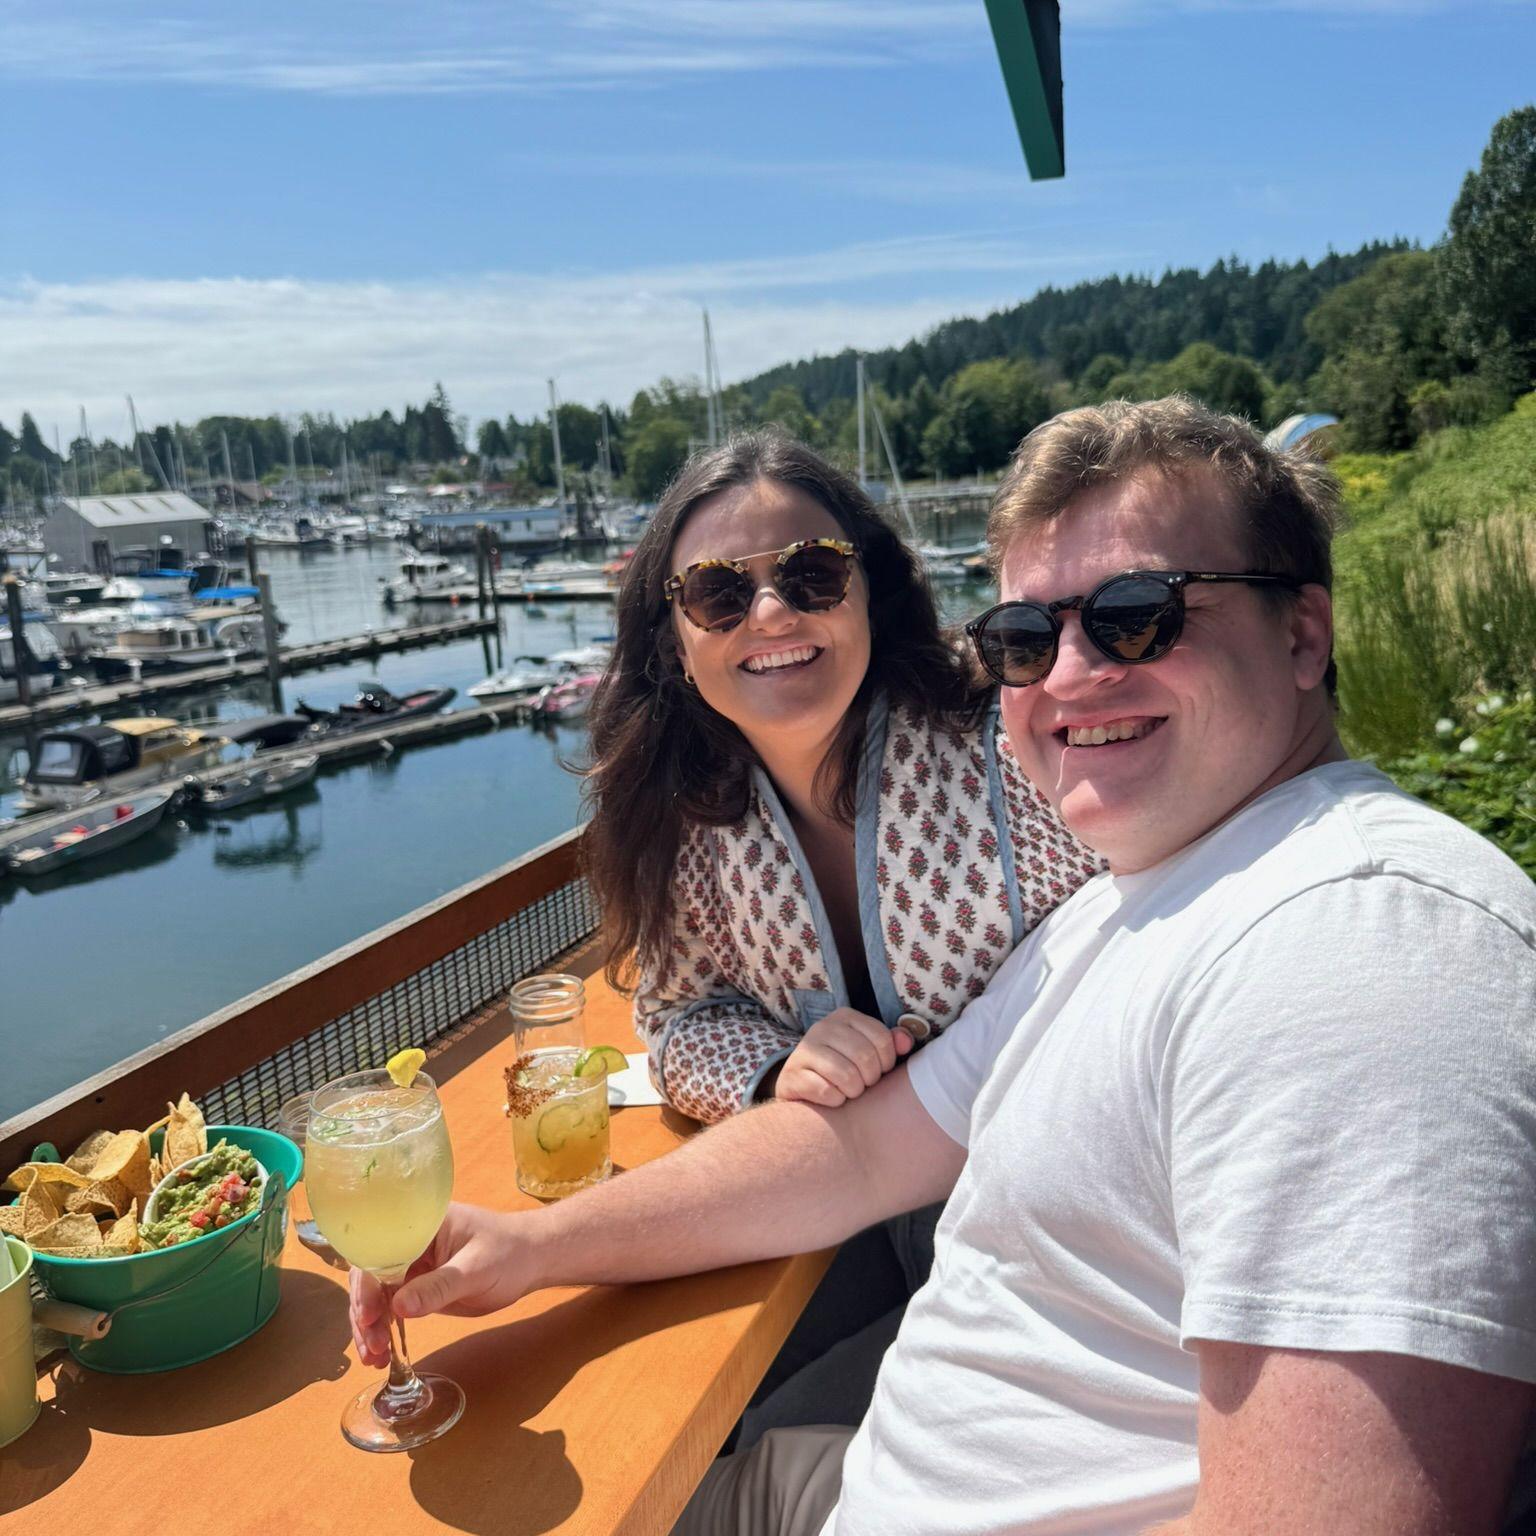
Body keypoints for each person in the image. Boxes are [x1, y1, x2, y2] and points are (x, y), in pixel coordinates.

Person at [353, 397, 1536, 1535]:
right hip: (930, 1365)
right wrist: (533, 1244)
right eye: (1026, 639)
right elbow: (851, 1142)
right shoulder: (1127, 905)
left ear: (1303, 635)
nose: (1067, 680)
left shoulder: (1361, 943)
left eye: (1139, 616)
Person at [579, 432, 1100, 1439]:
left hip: (1051, 1238)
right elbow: (680, 1017)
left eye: (812, 574)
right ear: (675, 641)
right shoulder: (685, 814)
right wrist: (777, 1072)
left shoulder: (1008, 739)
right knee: (688, 1423)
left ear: (869, 592)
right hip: (844, 1221)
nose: (773, 613)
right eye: (719, 594)